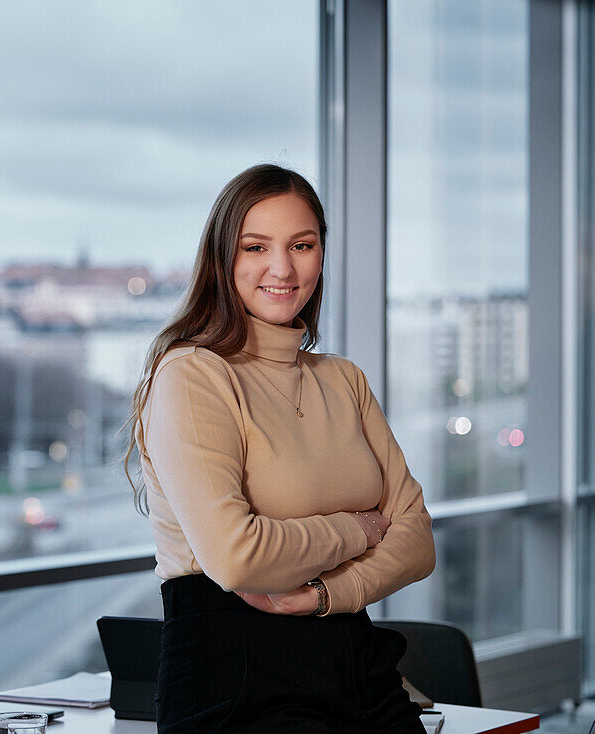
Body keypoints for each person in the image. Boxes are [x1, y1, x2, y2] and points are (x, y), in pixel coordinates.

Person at [125, 164, 435, 733]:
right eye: (255, 246)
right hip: (237, 675)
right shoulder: (192, 376)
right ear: (223, 259)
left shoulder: (344, 380)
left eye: (302, 245)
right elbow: (237, 558)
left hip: (360, 665)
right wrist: (360, 530)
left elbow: (417, 541)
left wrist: (325, 593)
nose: (282, 268)